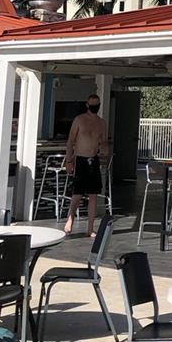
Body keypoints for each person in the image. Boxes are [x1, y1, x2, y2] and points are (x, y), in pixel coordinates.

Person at [64, 93, 108, 236]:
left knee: (93, 194)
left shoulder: (101, 123)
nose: (95, 107)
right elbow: (71, 140)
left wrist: (104, 149)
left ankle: (90, 227)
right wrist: (68, 160)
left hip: (93, 159)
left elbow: (103, 141)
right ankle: (70, 217)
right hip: (80, 159)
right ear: (87, 105)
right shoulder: (79, 120)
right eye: (93, 105)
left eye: (97, 105)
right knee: (77, 193)